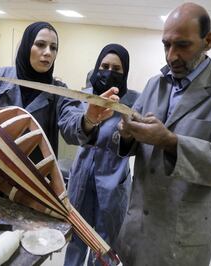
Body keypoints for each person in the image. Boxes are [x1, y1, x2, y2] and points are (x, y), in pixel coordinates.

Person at [115, 3, 211, 266]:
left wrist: (170, 142)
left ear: (208, 41)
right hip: (138, 225)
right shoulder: (155, 84)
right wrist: (126, 134)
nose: (171, 56)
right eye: (166, 45)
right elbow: (132, 142)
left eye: (182, 45)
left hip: (181, 235)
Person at [0, 21, 117, 190]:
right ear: (26, 46)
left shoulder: (59, 92)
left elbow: (72, 126)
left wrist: (88, 119)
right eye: (40, 45)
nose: (48, 53)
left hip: (32, 187)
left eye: (53, 48)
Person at [64, 44, 139, 266]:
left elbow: (138, 144)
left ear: (125, 73)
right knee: (77, 236)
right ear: (96, 67)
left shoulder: (133, 102)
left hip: (114, 182)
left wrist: (127, 135)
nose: (109, 72)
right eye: (104, 66)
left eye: (117, 69)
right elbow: (69, 128)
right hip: (82, 179)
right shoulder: (83, 97)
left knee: (106, 243)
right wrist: (88, 120)